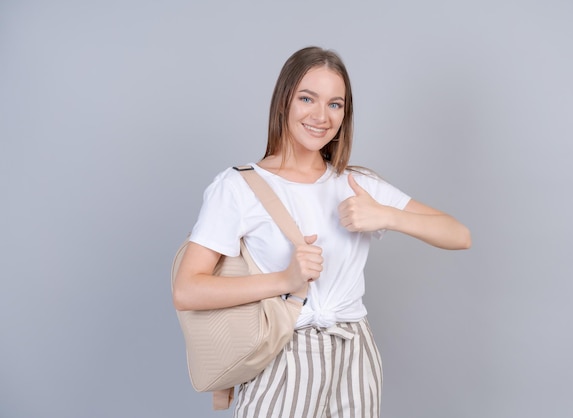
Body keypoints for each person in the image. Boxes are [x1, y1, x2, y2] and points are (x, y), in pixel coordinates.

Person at [173, 46, 471, 417]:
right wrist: (286, 279)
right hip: (283, 350)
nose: (321, 116)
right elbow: (187, 289)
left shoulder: (357, 184)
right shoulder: (238, 187)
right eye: (307, 98)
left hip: (355, 352)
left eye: (335, 104)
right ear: (284, 102)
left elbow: (459, 235)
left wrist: (386, 216)